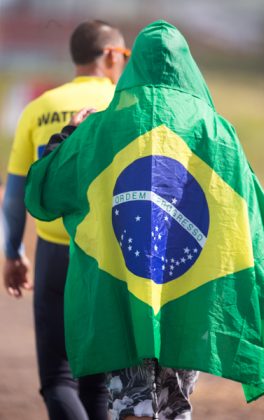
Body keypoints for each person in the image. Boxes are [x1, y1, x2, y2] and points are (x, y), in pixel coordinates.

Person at [24, 20, 264, 420]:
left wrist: (68, 134)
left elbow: (44, 192)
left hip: (120, 290)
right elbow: (261, 222)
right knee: (175, 403)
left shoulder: (100, 127)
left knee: (129, 401)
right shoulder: (216, 131)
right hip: (188, 297)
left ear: (134, 65)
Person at [2, 20, 129, 420]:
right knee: (99, 381)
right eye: (123, 55)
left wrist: (14, 252)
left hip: (55, 253)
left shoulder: (38, 109)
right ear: (109, 54)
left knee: (58, 380)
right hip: (110, 257)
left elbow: (17, 190)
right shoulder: (125, 103)